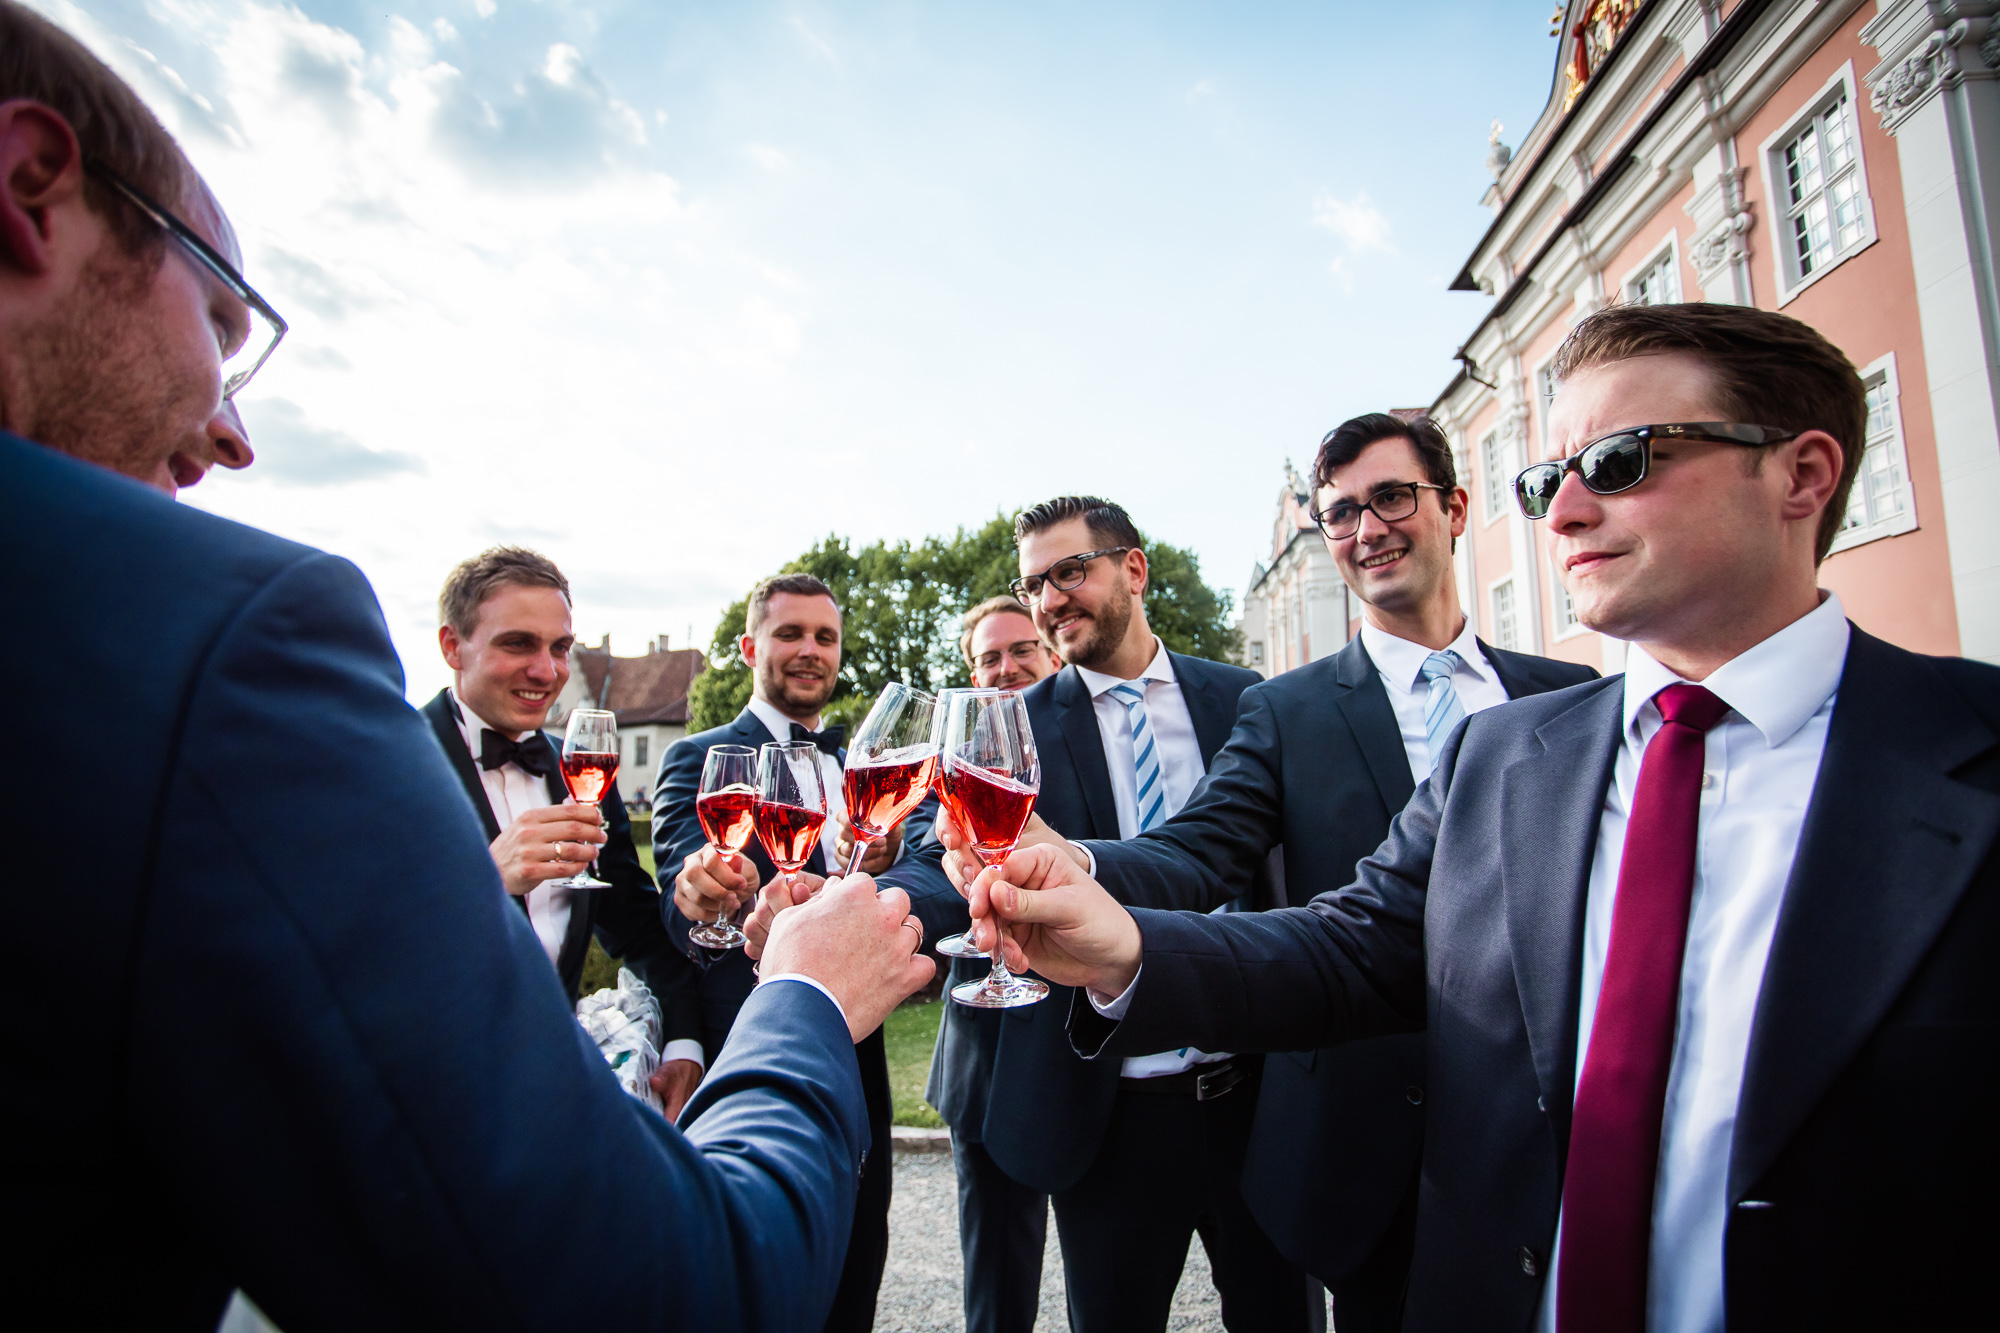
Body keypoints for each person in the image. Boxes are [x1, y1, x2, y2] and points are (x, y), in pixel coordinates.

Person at [0, 6, 932, 1327]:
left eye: (565, 646)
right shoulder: (240, 653)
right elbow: (655, 1292)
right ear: (32, 184)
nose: (231, 430)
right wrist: (798, 997)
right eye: (217, 314)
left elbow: (641, 936)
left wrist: (675, 1026)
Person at [967, 302, 2000, 1331]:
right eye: (1550, 481)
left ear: (1801, 475)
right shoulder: (1501, 752)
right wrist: (1114, 929)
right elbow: (1348, 943)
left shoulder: (1959, 752)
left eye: (1623, 460)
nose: (1563, 514)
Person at [965, 414, 1595, 1330]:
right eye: (1341, 513)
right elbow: (1194, 850)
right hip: (1369, 1123)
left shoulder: (1566, 698)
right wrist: (1077, 863)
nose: (1367, 527)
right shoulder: (1286, 710)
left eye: (1390, 498)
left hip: (1561, 1119)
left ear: (1457, 508)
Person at [898, 496, 1305, 1333]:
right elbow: (945, 860)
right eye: (1034, 583)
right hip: (1106, 1104)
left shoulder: (1250, 699)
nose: (1049, 600)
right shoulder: (1007, 726)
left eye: (1069, 572)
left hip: (1254, 1095)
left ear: (1134, 568)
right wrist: (877, 899)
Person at [656, 574, 908, 1333]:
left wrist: (882, 856)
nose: (809, 651)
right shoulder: (699, 755)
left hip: (861, 1062)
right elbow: (681, 878)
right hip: (753, 1056)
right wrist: (698, 888)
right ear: (749, 648)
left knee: (858, 1271)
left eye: (825, 637)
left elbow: (865, 888)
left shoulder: (856, 759)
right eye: (790, 633)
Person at [418, 545, 704, 1116]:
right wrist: (487, 879)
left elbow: (640, 930)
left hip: (549, 1095)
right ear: (453, 646)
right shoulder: (387, 765)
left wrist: (684, 1046)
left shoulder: (582, 776)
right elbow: (348, 947)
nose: (546, 671)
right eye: (518, 643)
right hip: (422, 1093)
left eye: (560, 648)